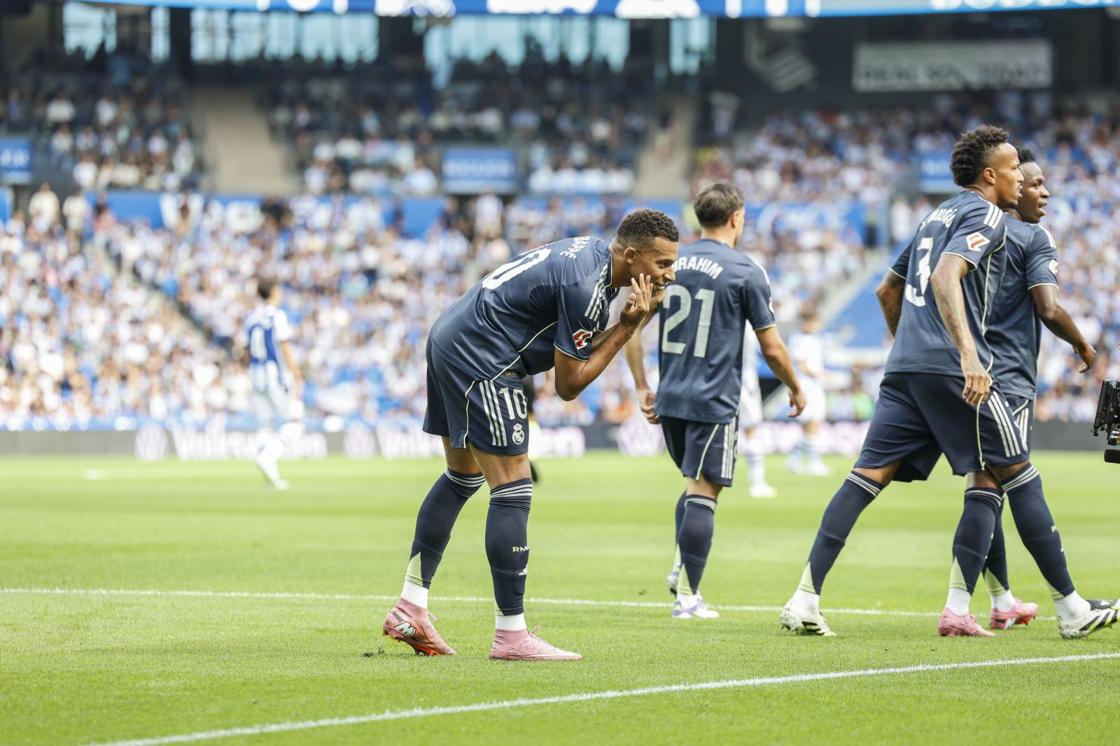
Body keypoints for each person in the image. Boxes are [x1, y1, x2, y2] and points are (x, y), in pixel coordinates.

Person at [780, 126, 1119, 639]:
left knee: (866, 477)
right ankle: (1070, 609)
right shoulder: (987, 214)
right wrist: (967, 355)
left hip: (905, 369)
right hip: (953, 369)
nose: (1020, 177)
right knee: (1017, 475)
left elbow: (886, 290)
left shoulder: (934, 215)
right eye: (1014, 169)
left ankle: (804, 598)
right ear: (990, 175)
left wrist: (908, 347)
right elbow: (945, 277)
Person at [383, 209, 679, 660]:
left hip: (451, 336)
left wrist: (628, 323)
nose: (669, 275)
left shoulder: (592, 257)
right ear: (632, 256)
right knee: (514, 487)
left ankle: (410, 608)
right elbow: (569, 385)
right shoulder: (588, 287)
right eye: (663, 264)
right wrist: (627, 326)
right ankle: (511, 635)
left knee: (462, 477)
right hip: (482, 356)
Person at [624, 183, 804, 620]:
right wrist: (796, 387)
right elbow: (772, 347)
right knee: (705, 491)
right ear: (737, 218)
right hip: (713, 398)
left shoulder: (670, 263)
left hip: (670, 397)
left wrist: (643, 385)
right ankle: (688, 598)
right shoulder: (745, 271)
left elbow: (630, 327)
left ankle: (679, 568)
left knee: (693, 485)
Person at [245, 279, 304, 490]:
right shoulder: (276, 315)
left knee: (266, 424)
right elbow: (284, 347)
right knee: (294, 423)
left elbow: (247, 350)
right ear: (272, 292)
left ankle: (270, 474)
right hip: (273, 375)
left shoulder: (250, 317)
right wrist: (296, 373)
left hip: (256, 374)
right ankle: (267, 457)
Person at [786, 309, 830, 477]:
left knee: (814, 423)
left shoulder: (815, 339)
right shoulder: (799, 339)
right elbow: (802, 364)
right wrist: (820, 375)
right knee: (812, 423)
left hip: (816, 385)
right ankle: (813, 462)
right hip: (806, 385)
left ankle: (795, 459)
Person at [740, 328, 777, 499]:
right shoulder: (748, 325)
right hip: (744, 382)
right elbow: (771, 350)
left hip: (716, 380)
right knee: (752, 431)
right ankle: (757, 483)